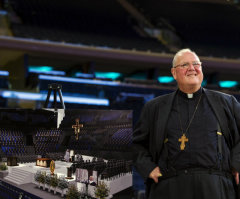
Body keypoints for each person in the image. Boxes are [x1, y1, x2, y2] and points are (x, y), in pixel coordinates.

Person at [133, 48, 240, 199]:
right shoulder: (155, 107)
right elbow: (136, 144)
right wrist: (148, 168)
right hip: (170, 187)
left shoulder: (226, 102)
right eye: (184, 65)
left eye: (196, 64)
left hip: (215, 186)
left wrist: (237, 164)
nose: (192, 68)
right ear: (174, 73)